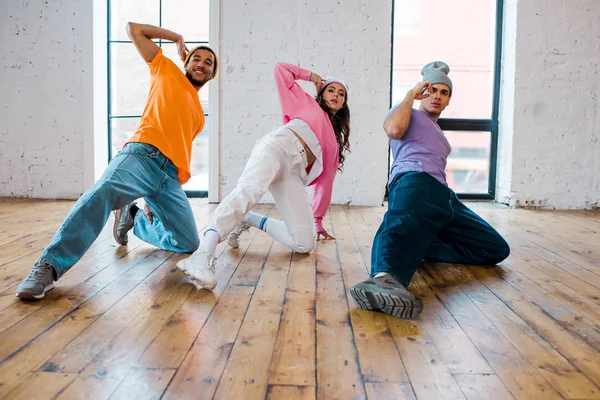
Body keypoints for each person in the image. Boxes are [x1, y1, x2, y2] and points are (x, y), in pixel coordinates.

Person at [16, 22, 217, 299]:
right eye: (197, 57)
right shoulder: (166, 69)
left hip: (168, 177)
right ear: (186, 61)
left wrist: (153, 199)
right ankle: (49, 266)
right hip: (141, 154)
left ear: (211, 74)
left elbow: (178, 144)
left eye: (208, 62)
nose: (202, 63)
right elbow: (134, 29)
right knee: (102, 193)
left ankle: (132, 216)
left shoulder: (199, 115)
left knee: (188, 241)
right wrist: (177, 37)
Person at [350, 61, 510, 319]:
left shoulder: (438, 133)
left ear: (448, 101)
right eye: (432, 89)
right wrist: (411, 95)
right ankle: (383, 277)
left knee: (495, 248)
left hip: (444, 196)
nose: (437, 96)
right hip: (414, 179)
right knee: (400, 222)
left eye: (443, 93)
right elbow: (393, 129)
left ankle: (418, 245)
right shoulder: (407, 113)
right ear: (423, 92)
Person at [176, 62, 351, 290]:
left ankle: (248, 219)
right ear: (321, 92)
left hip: (293, 173)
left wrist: (317, 221)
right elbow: (280, 69)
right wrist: (312, 76)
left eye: (341, 94)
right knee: (248, 190)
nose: (336, 95)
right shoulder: (305, 102)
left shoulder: (334, 143)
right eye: (331, 89)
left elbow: (326, 183)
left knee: (304, 243)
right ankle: (203, 254)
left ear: (345, 103)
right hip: (278, 148)